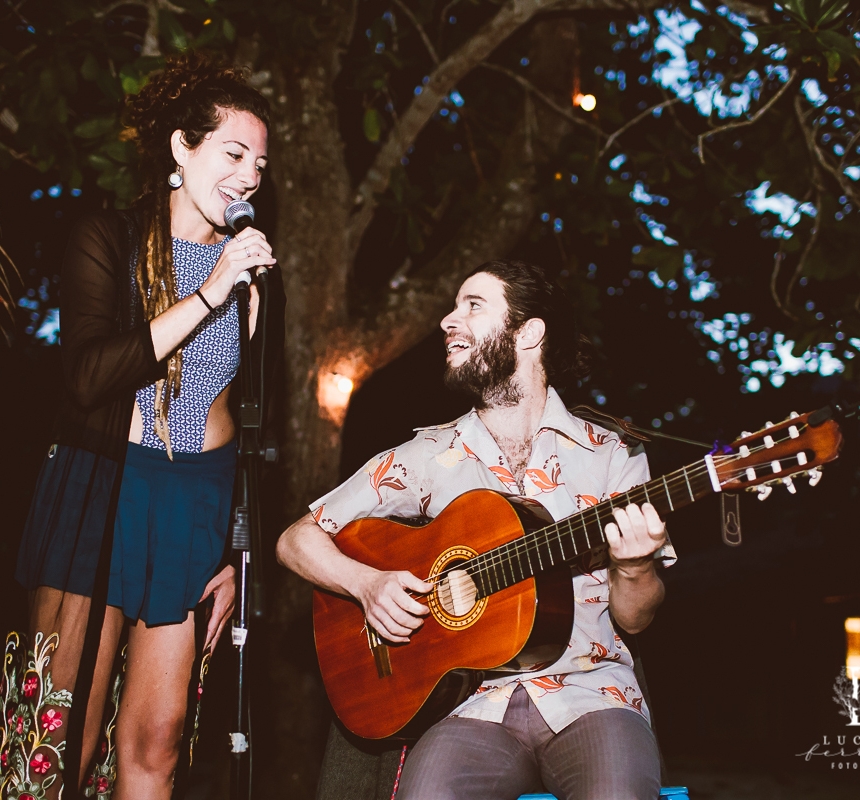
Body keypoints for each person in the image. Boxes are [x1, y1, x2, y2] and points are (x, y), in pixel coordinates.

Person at [277, 261, 677, 800]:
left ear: (529, 333)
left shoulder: (612, 454)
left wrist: (634, 565)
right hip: (468, 705)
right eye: (454, 305)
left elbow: (636, 616)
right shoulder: (425, 455)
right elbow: (296, 539)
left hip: (593, 696)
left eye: (473, 306)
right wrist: (366, 585)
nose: (448, 319)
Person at [0, 53, 274, 800]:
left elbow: (252, 428)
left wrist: (234, 554)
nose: (250, 176)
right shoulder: (107, 239)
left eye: (260, 163)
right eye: (234, 154)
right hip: (103, 493)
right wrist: (210, 293)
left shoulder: (254, 278)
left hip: (193, 509)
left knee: (160, 740)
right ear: (182, 147)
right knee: (61, 738)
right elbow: (87, 376)